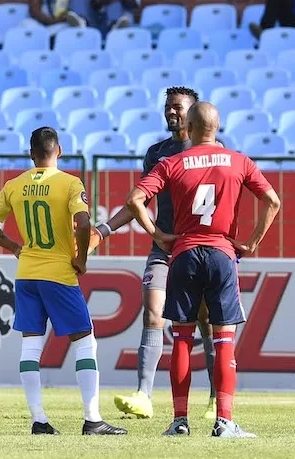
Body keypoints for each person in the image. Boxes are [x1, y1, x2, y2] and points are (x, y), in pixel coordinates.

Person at [126, 101, 281, 438]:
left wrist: (158, 235)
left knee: (181, 339)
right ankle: (224, 422)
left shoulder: (172, 162)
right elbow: (273, 201)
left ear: (190, 129)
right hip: (222, 254)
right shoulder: (238, 161)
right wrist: (252, 241)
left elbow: (135, 200)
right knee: (224, 340)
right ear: (217, 127)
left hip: (183, 254)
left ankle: (179, 421)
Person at [0, 126, 127, 436]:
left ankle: (39, 420)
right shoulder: (69, 183)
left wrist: (13, 246)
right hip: (58, 274)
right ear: (59, 151)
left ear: (32, 154)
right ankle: (92, 419)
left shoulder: (15, 185)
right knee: (85, 341)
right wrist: (81, 259)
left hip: (27, 274)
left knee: (31, 345)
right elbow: (83, 222)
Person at [96, 86, 218, 421]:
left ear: (193, 114)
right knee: (153, 315)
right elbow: (139, 200)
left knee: (206, 322)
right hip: (164, 250)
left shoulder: (213, 152)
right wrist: (106, 231)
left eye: (177, 107)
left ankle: (214, 397)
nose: (170, 112)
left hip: (201, 249)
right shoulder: (158, 153)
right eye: (168, 107)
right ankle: (144, 396)